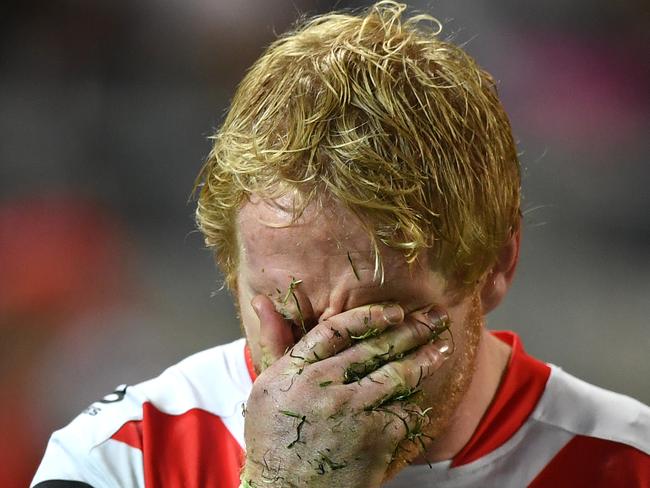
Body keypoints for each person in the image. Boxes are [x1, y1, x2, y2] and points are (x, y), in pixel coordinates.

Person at [31, 2, 649, 487]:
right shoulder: (121, 463)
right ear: (232, 269)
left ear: (496, 263)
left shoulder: (629, 461)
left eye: (380, 318)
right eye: (292, 312)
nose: (326, 366)